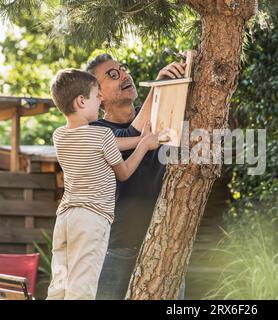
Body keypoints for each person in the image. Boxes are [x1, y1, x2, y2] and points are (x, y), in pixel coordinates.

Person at [46, 68, 163, 300]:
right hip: (92, 220)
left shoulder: (59, 135)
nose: (100, 99)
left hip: (66, 218)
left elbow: (108, 144)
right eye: (95, 95)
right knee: (84, 287)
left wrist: (140, 138)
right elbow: (124, 173)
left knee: (60, 283)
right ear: (81, 101)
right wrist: (143, 146)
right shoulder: (102, 137)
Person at [87, 54, 187, 300]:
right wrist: (159, 87)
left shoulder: (157, 115)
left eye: (123, 69)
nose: (124, 75)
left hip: (165, 246)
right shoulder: (95, 132)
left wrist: (185, 68)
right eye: (112, 74)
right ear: (97, 94)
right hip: (116, 250)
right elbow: (132, 135)